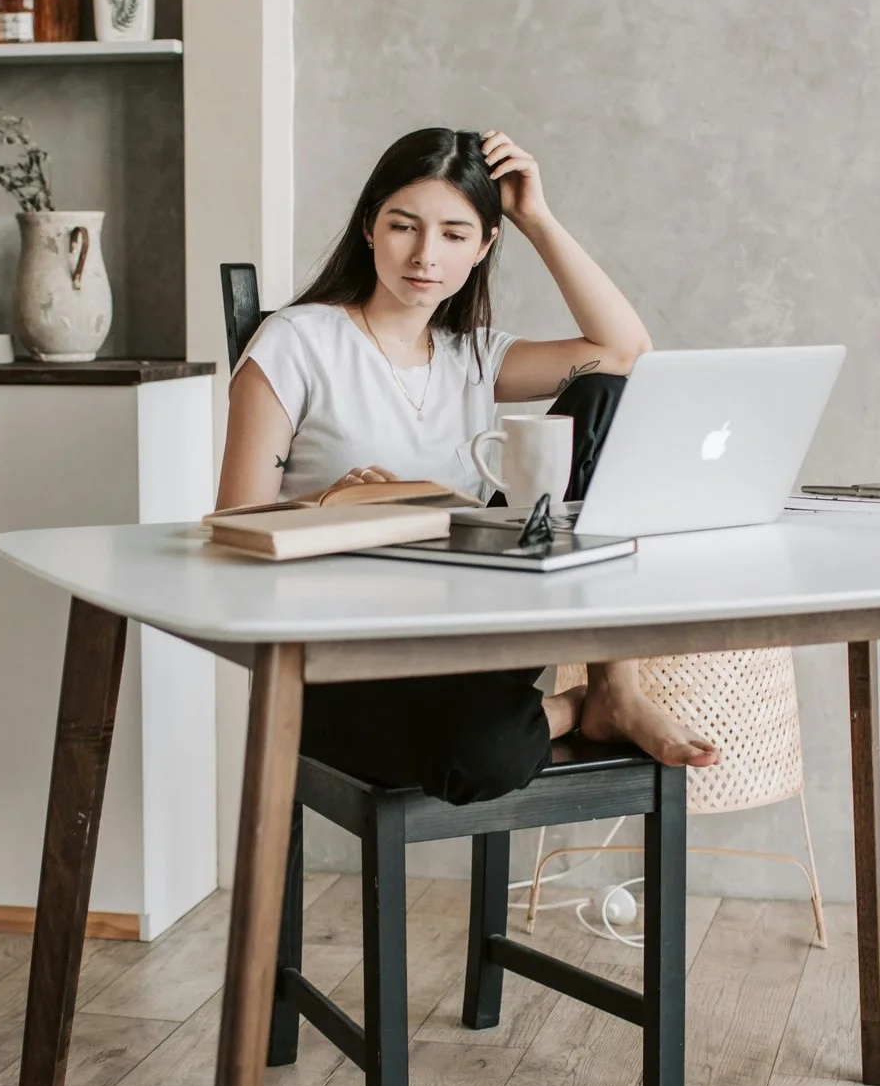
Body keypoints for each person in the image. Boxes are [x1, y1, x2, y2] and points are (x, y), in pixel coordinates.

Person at [217, 126, 718, 805]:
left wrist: (535, 218)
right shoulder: (298, 342)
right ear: (369, 228)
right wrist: (329, 504)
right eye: (404, 226)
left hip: (469, 638)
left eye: (456, 234)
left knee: (605, 394)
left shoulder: (474, 355)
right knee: (486, 753)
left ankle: (616, 688)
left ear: (483, 248)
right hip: (342, 660)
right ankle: (575, 708)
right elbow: (232, 529)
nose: (426, 255)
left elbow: (626, 351)